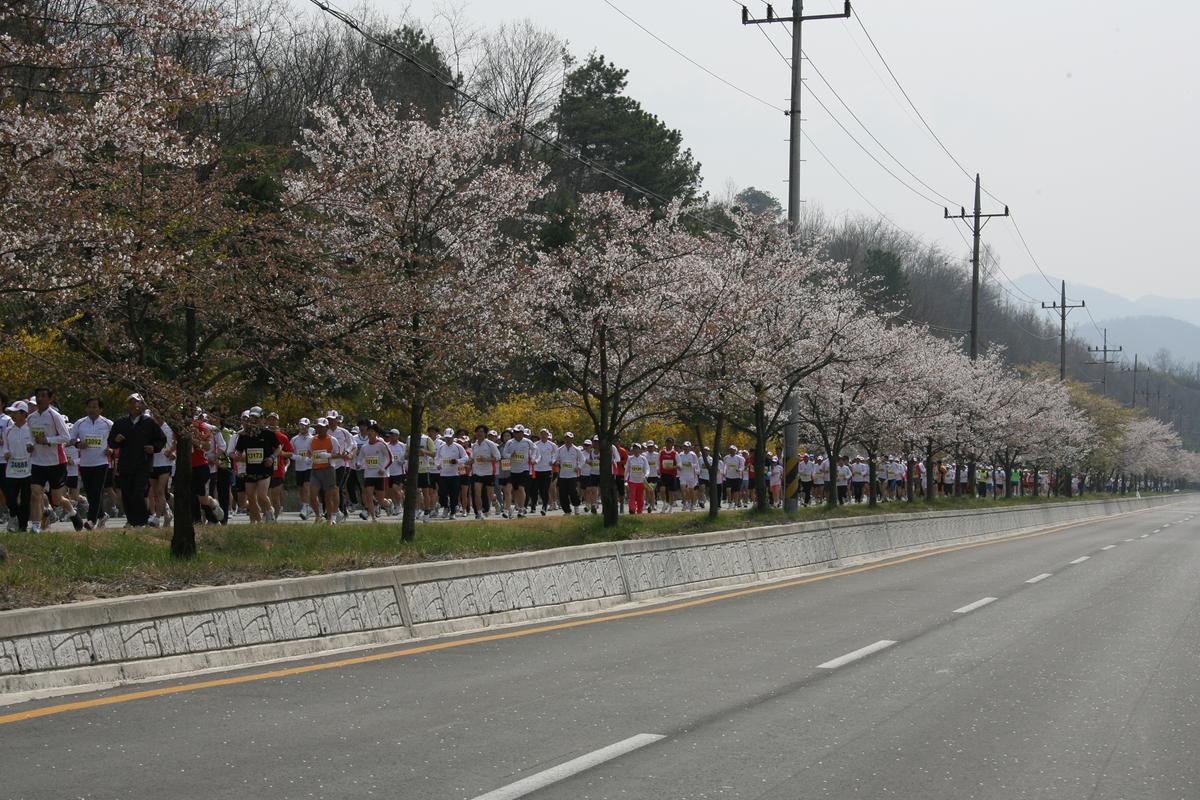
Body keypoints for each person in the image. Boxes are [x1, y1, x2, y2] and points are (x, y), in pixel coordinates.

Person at [28, 387, 83, 532]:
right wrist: (30, 446)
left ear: (50, 399)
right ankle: (35, 527)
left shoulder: (55, 416)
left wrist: (47, 440)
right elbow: (30, 437)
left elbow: (66, 437)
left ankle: (72, 513)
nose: (40, 399)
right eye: (38, 396)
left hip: (56, 462)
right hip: (37, 462)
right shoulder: (31, 418)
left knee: (57, 499)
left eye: (43, 396)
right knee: (35, 493)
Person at [108, 393, 166, 528]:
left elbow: (161, 439)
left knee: (138, 492)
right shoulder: (121, 422)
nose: (134, 405)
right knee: (127, 493)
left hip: (143, 463)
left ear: (142, 405)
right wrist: (116, 440)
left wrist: (154, 448)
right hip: (126, 463)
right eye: (131, 402)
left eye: (137, 402)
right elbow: (111, 441)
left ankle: (141, 521)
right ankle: (132, 521)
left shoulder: (149, 422)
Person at [72, 397, 113, 530]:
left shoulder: (108, 423)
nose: (92, 409)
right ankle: (102, 515)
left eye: (95, 407)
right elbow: (70, 439)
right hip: (85, 463)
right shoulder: (80, 423)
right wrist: (78, 444)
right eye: (89, 407)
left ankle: (91, 520)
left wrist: (111, 449)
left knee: (96, 491)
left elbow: (115, 441)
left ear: (100, 409)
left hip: (101, 463)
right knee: (90, 493)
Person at [233, 407, 279, 523]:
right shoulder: (244, 435)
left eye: (256, 418)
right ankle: (258, 522)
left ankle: (270, 511)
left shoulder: (268, 433)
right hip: (250, 470)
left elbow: (278, 447)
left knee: (262, 495)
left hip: (264, 469)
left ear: (262, 419)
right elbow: (238, 451)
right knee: (251, 497)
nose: (254, 420)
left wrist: (272, 457)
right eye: (251, 418)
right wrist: (237, 456)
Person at [2, 400, 34, 531]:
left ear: (23, 413)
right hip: (12, 470)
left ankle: (22, 526)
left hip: (28, 470)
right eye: (11, 413)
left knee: (25, 499)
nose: (12, 415)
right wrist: (6, 453)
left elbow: (36, 447)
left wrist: (32, 449)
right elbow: (5, 446)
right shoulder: (8, 430)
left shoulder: (31, 429)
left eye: (15, 413)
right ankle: (14, 516)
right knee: (10, 498)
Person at [307, 418, 343, 523]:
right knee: (312, 495)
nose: (319, 429)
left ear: (327, 428)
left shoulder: (332, 440)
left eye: (321, 427)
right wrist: (309, 458)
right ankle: (318, 516)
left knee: (328, 497)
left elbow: (339, 454)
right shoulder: (312, 440)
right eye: (318, 427)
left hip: (328, 469)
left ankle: (330, 519)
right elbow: (309, 452)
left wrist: (329, 455)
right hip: (315, 470)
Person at [357, 425, 392, 521]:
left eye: (372, 431)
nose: (369, 433)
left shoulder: (382, 444)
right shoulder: (365, 447)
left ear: (376, 433)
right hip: (368, 474)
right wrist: (359, 464)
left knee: (380, 500)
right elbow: (360, 458)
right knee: (368, 496)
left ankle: (389, 504)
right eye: (368, 431)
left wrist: (383, 469)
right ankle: (373, 518)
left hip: (379, 475)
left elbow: (390, 459)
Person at [503, 425, 535, 519]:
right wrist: (510, 455)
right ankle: (512, 508)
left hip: (524, 469)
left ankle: (521, 509)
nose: (516, 434)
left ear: (522, 433)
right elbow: (504, 454)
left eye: (518, 432)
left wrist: (533, 458)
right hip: (513, 470)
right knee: (512, 490)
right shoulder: (510, 442)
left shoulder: (528, 442)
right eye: (515, 432)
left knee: (521, 489)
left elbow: (535, 450)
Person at [470, 425, 500, 520]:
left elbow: (498, 457)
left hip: (488, 472)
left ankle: (495, 502)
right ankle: (479, 512)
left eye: (481, 431)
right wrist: (468, 462)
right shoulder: (474, 445)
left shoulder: (490, 444)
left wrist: (487, 459)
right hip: (477, 472)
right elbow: (472, 458)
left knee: (490, 495)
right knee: (477, 493)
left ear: (485, 433)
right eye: (477, 431)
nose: (479, 433)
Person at [291, 418, 315, 520]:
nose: (302, 427)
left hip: (309, 466)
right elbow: (290, 453)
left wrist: (311, 459)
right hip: (299, 467)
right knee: (301, 489)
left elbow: (315, 451)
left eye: (305, 425)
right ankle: (306, 505)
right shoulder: (294, 439)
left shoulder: (313, 439)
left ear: (308, 426)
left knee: (306, 486)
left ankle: (306, 507)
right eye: (301, 425)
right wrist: (298, 457)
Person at [555, 432, 583, 514]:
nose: (568, 440)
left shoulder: (576, 449)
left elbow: (583, 459)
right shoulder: (560, 449)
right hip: (562, 475)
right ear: (564, 439)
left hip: (572, 475)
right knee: (563, 494)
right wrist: (556, 461)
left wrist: (579, 467)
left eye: (570, 438)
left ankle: (576, 506)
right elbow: (555, 458)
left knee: (573, 492)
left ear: (572, 439)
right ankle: (567, 511)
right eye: (566, 438)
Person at [625, 443, 649, 514]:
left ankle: (639, 511)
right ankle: (632, 509)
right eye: (634, 448)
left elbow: (647, 469)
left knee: (640, 498)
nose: (635, 450)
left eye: (637, 448)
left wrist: (646, 475)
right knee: (632, 496)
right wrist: (625, 479)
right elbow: (627, 469)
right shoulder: (630, 458)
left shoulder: (643, 459)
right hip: (632, 481)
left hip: (641, 481)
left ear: (640, 450)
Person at [658, 437, 680, 512]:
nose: (668, 444)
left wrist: (673, 466)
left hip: (672, 475)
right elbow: (658, 462)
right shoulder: (661, 452)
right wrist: (658, 469)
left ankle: (670, 508)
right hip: (663, 474)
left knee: (671, 493)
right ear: (665, 443)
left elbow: (679, 465)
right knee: (662, 490)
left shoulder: (675, 453)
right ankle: (665, 503)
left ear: (672, 444)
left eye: (670, 442)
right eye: (667, 442)